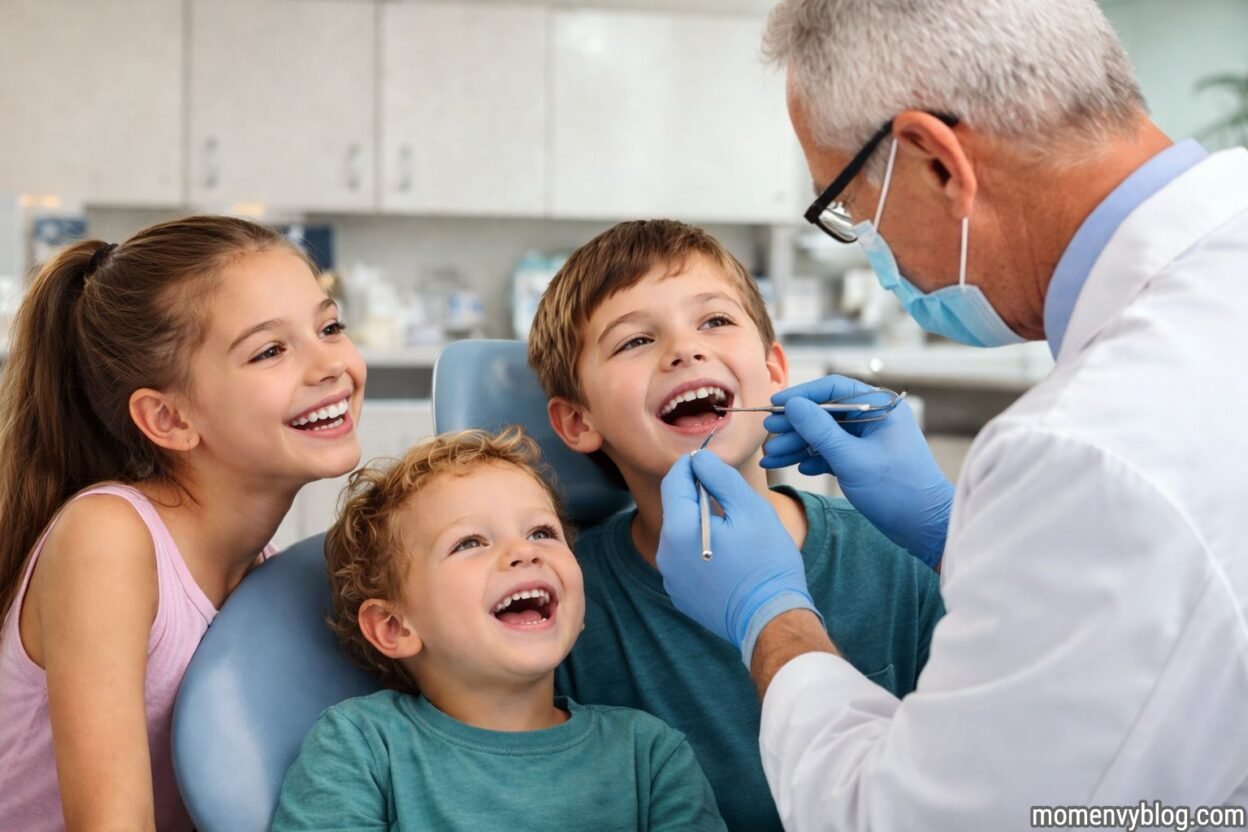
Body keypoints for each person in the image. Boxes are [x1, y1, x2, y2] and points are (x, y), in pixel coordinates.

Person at [653, 0, 1248, 828]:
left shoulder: (1088, 454)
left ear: (935, 160)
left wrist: (770, 618)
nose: (874, 247)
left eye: (855, 213)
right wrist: (952, 528)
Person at [526, 219, 944, 830]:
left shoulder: (898, 557)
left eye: (716, 321)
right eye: (634, 341)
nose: (685, 349)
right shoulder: (563, 602)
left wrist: (955, 536)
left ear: (775, 371)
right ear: (577, 420)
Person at [0, 216, 366, 831]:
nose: (328, 362)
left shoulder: (264, 568)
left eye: (329, 326)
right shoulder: (109, 539)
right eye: (270, 350)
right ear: (168, 419)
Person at [272, 427, 725, 831]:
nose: (524, 553)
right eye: (470, 542)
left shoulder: (648, 756)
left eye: (543, 533)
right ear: (393, 626)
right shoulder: (362, 746)